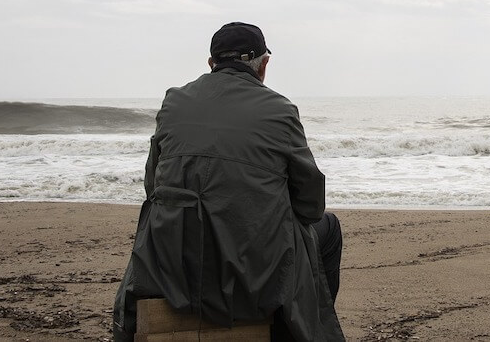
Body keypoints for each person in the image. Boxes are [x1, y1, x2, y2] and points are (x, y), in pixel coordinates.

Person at [111, 22, 344, 341]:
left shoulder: (174, 102)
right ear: (264, 65)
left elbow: (154, 188)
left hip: (171, 270)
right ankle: (287, 330)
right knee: (327, 230)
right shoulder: (279, 110)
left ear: (211, 64)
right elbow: (311, 205)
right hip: (249, 280)